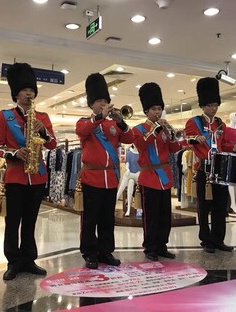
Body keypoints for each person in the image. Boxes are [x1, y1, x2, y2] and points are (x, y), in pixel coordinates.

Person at [0, 62, 57, 280]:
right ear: (16, 94)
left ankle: (29, 259)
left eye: (32, 90)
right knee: (13, 221)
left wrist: (44, 131)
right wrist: (13, 153)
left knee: (30, 221)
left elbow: (52, 145)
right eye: (25, 90)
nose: (29, 93)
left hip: (37, 175)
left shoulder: (44, 117)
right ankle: (13, 260)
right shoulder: (5, 116)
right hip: (15, 176)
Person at [76, 73, 134, 269]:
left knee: (107, 219)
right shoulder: (85, 122)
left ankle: (105, 251)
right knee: (90, 219)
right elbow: (82, 132)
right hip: (92, 177)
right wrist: (99, 117)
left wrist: (121, 122)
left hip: (111, 177)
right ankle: (89, 252)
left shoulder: (113, 125)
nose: (103, 103)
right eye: (99, 101)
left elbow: (130, 139)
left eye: (105, 100)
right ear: (91, 104)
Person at [185, 77, 236, 254]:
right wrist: (196, 139)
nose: (213, 108)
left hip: (220, 169)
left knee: (220, 206)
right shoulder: (194, 122)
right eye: (210, 105)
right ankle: (206, 239)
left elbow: (224, 145)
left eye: (215, 105)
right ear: (203, 106)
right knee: (204, 207)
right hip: (203, 170)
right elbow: (185, 140)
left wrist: (235, 147)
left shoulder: (220, 124)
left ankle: (219, 239)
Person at [133, 83, 180, 261]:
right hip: (149, 177)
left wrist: (171, 133)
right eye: (154, 109)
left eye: (159, 108)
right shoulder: (138, 129)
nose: (157, 112)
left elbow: (175, 148)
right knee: (150, 216)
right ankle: (150, 246)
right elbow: (141, 145)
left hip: (165, 177)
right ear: (146, 111)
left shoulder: (165, 129)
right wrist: (156, 130)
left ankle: (162, 245)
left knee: (165, 216)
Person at [224, 113, 236, 214]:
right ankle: (233, 203)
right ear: (231, 117)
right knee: (231, 181)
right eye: (235, 117)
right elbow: (224, 143)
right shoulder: (226, 130)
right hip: (230, 156)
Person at [116, 144, 140, 217]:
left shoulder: (141, 153)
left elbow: (142, 165)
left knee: (127, 177)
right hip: (131, 175)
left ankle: (115, 199)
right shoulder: (129, 153)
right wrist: (127, 169)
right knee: (130, 181)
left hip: (139, 175)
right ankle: (128, 209)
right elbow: (127, 164)